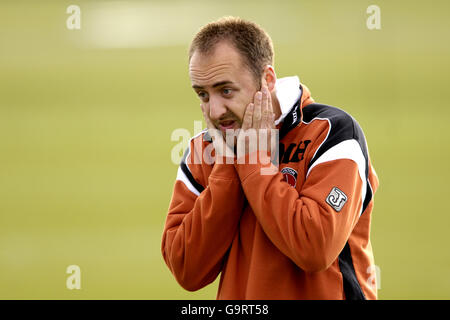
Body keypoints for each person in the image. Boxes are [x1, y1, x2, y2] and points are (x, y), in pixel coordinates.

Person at [161, 16, 379, 300]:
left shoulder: (332, 133)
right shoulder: (206, 150)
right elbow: (186, 268)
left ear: (267, 79)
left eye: (226, 90)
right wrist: (228, 166)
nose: (214, 111)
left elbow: (315, 248)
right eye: (203, 95)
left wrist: (252, 161)